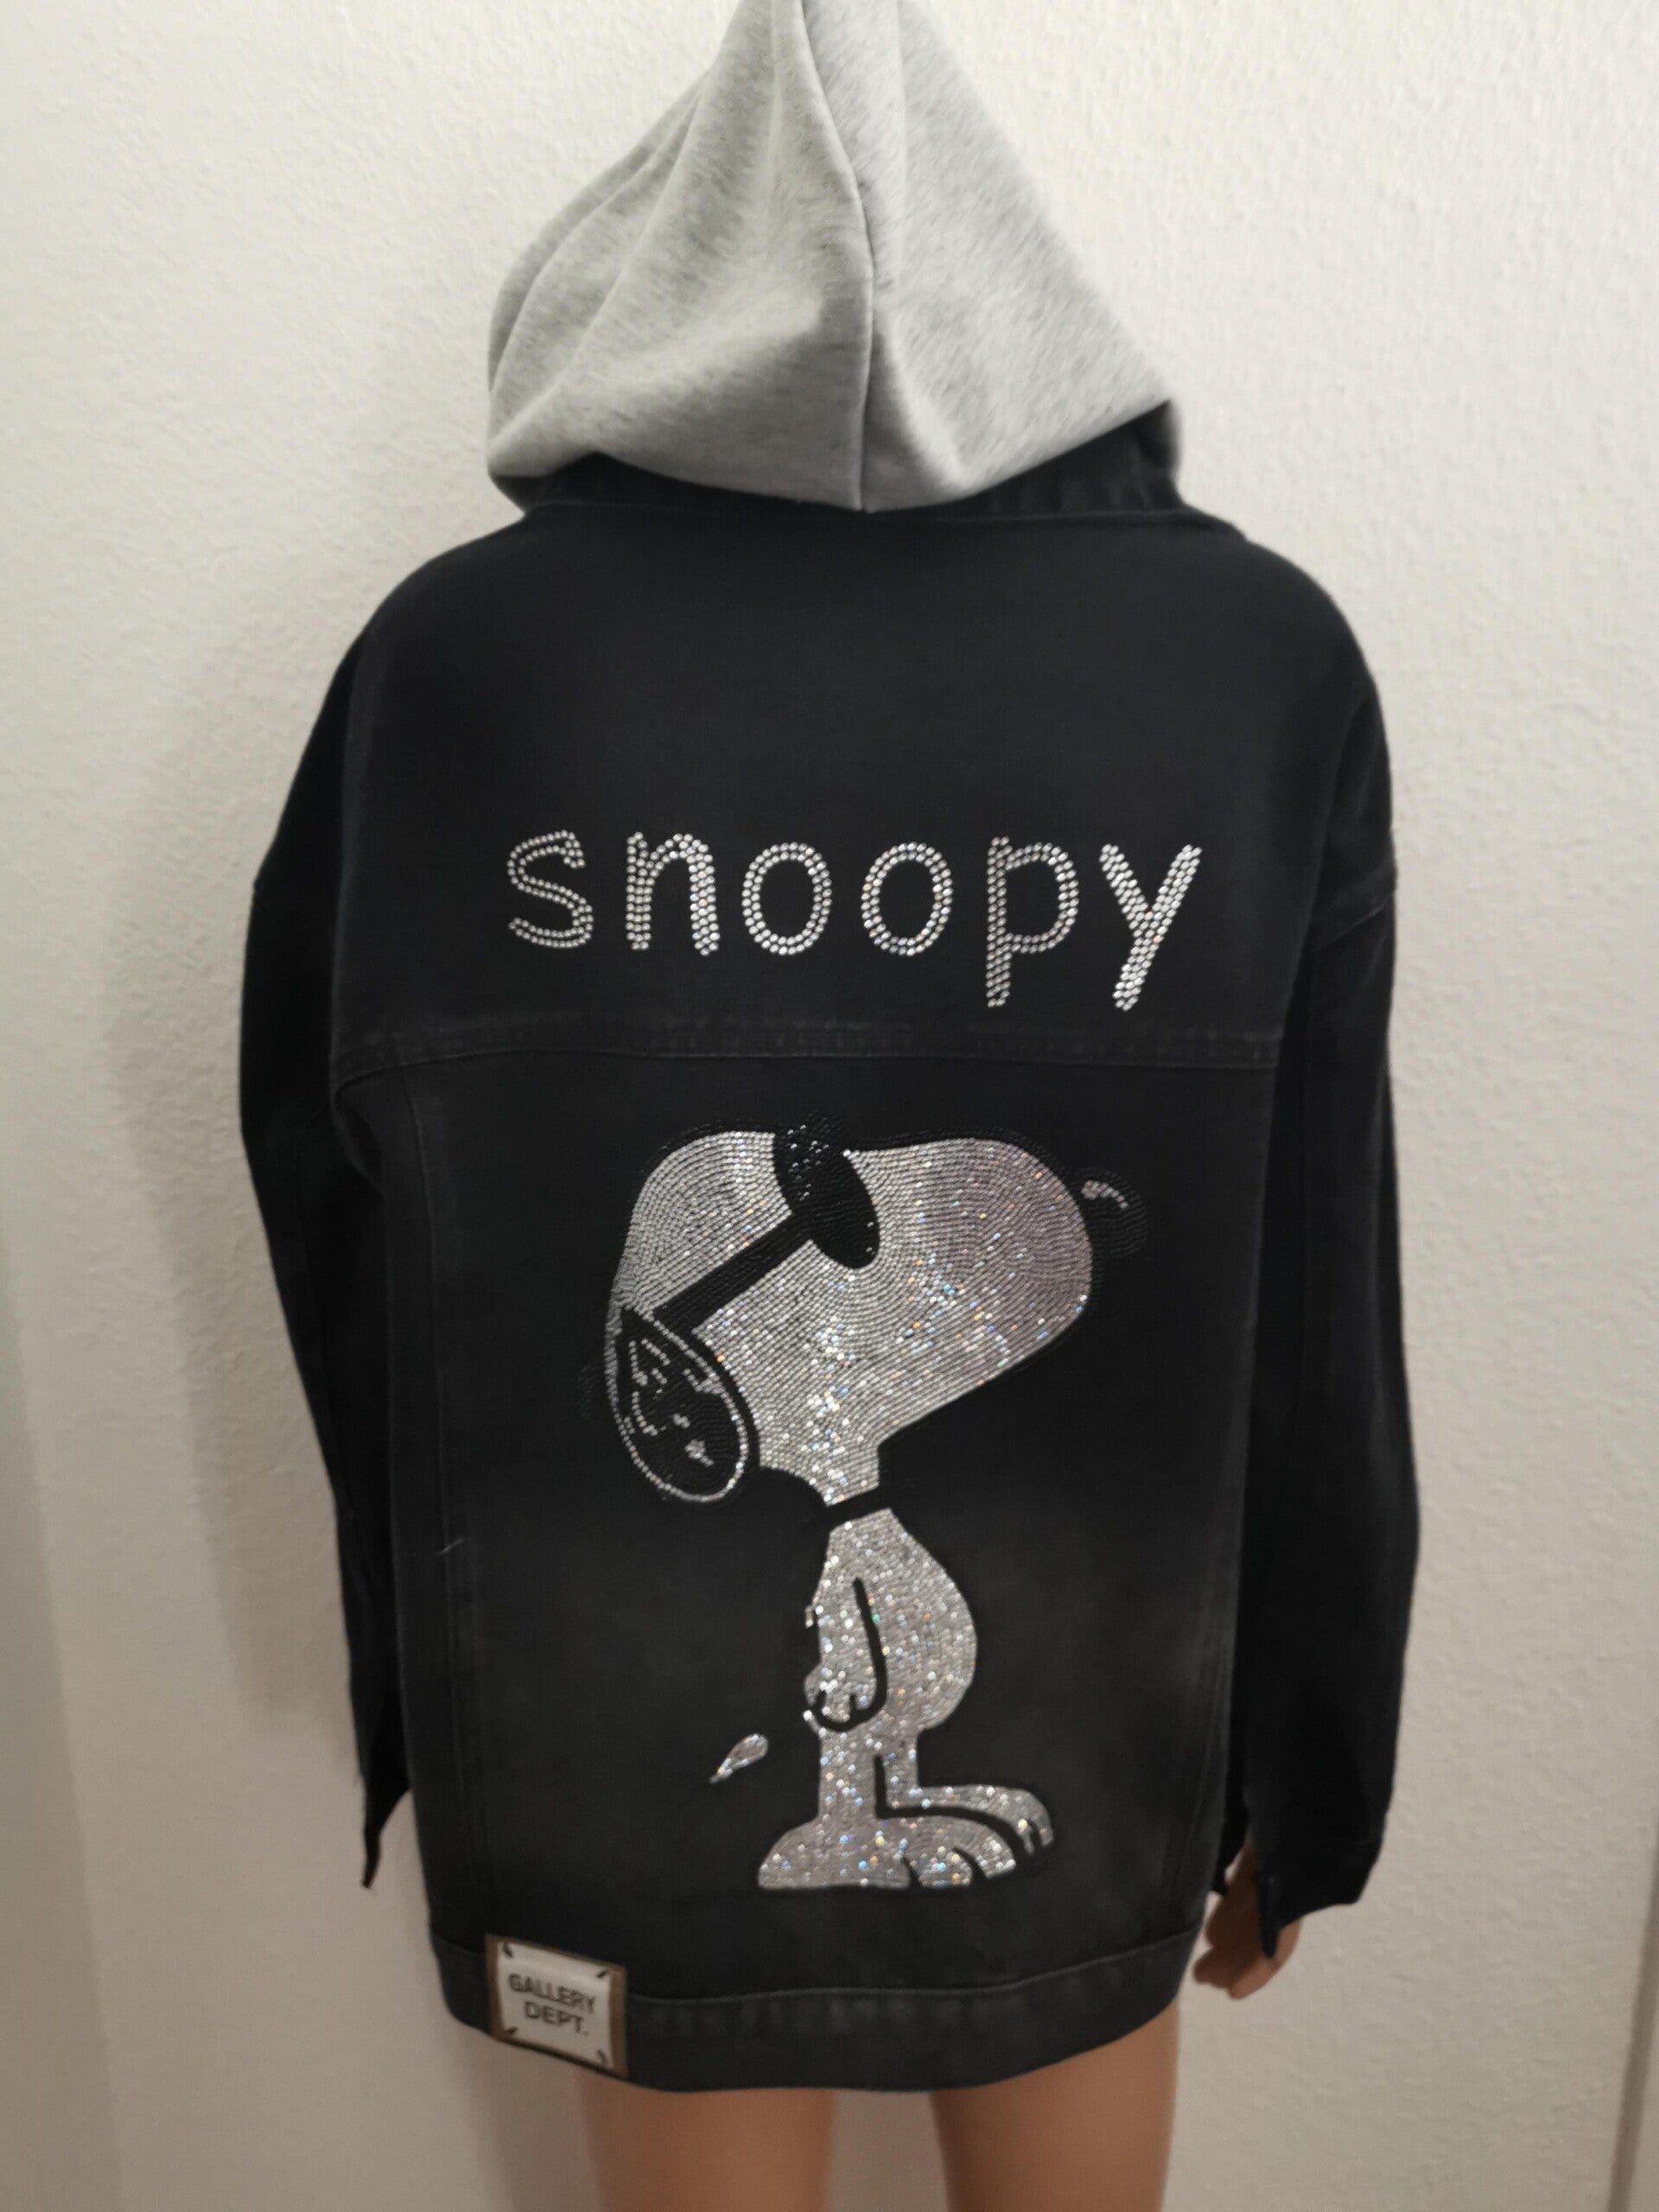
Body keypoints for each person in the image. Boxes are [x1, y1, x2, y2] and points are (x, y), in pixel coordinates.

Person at [240, 2, 1416, 2207]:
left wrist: (432, 1700)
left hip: (592, 1722)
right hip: (1121, 1716)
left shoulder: (453, 670)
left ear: (650, 282)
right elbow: (1322, 1287)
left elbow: (336, 1221)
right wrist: (1313, 1757)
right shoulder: (1259, 667)